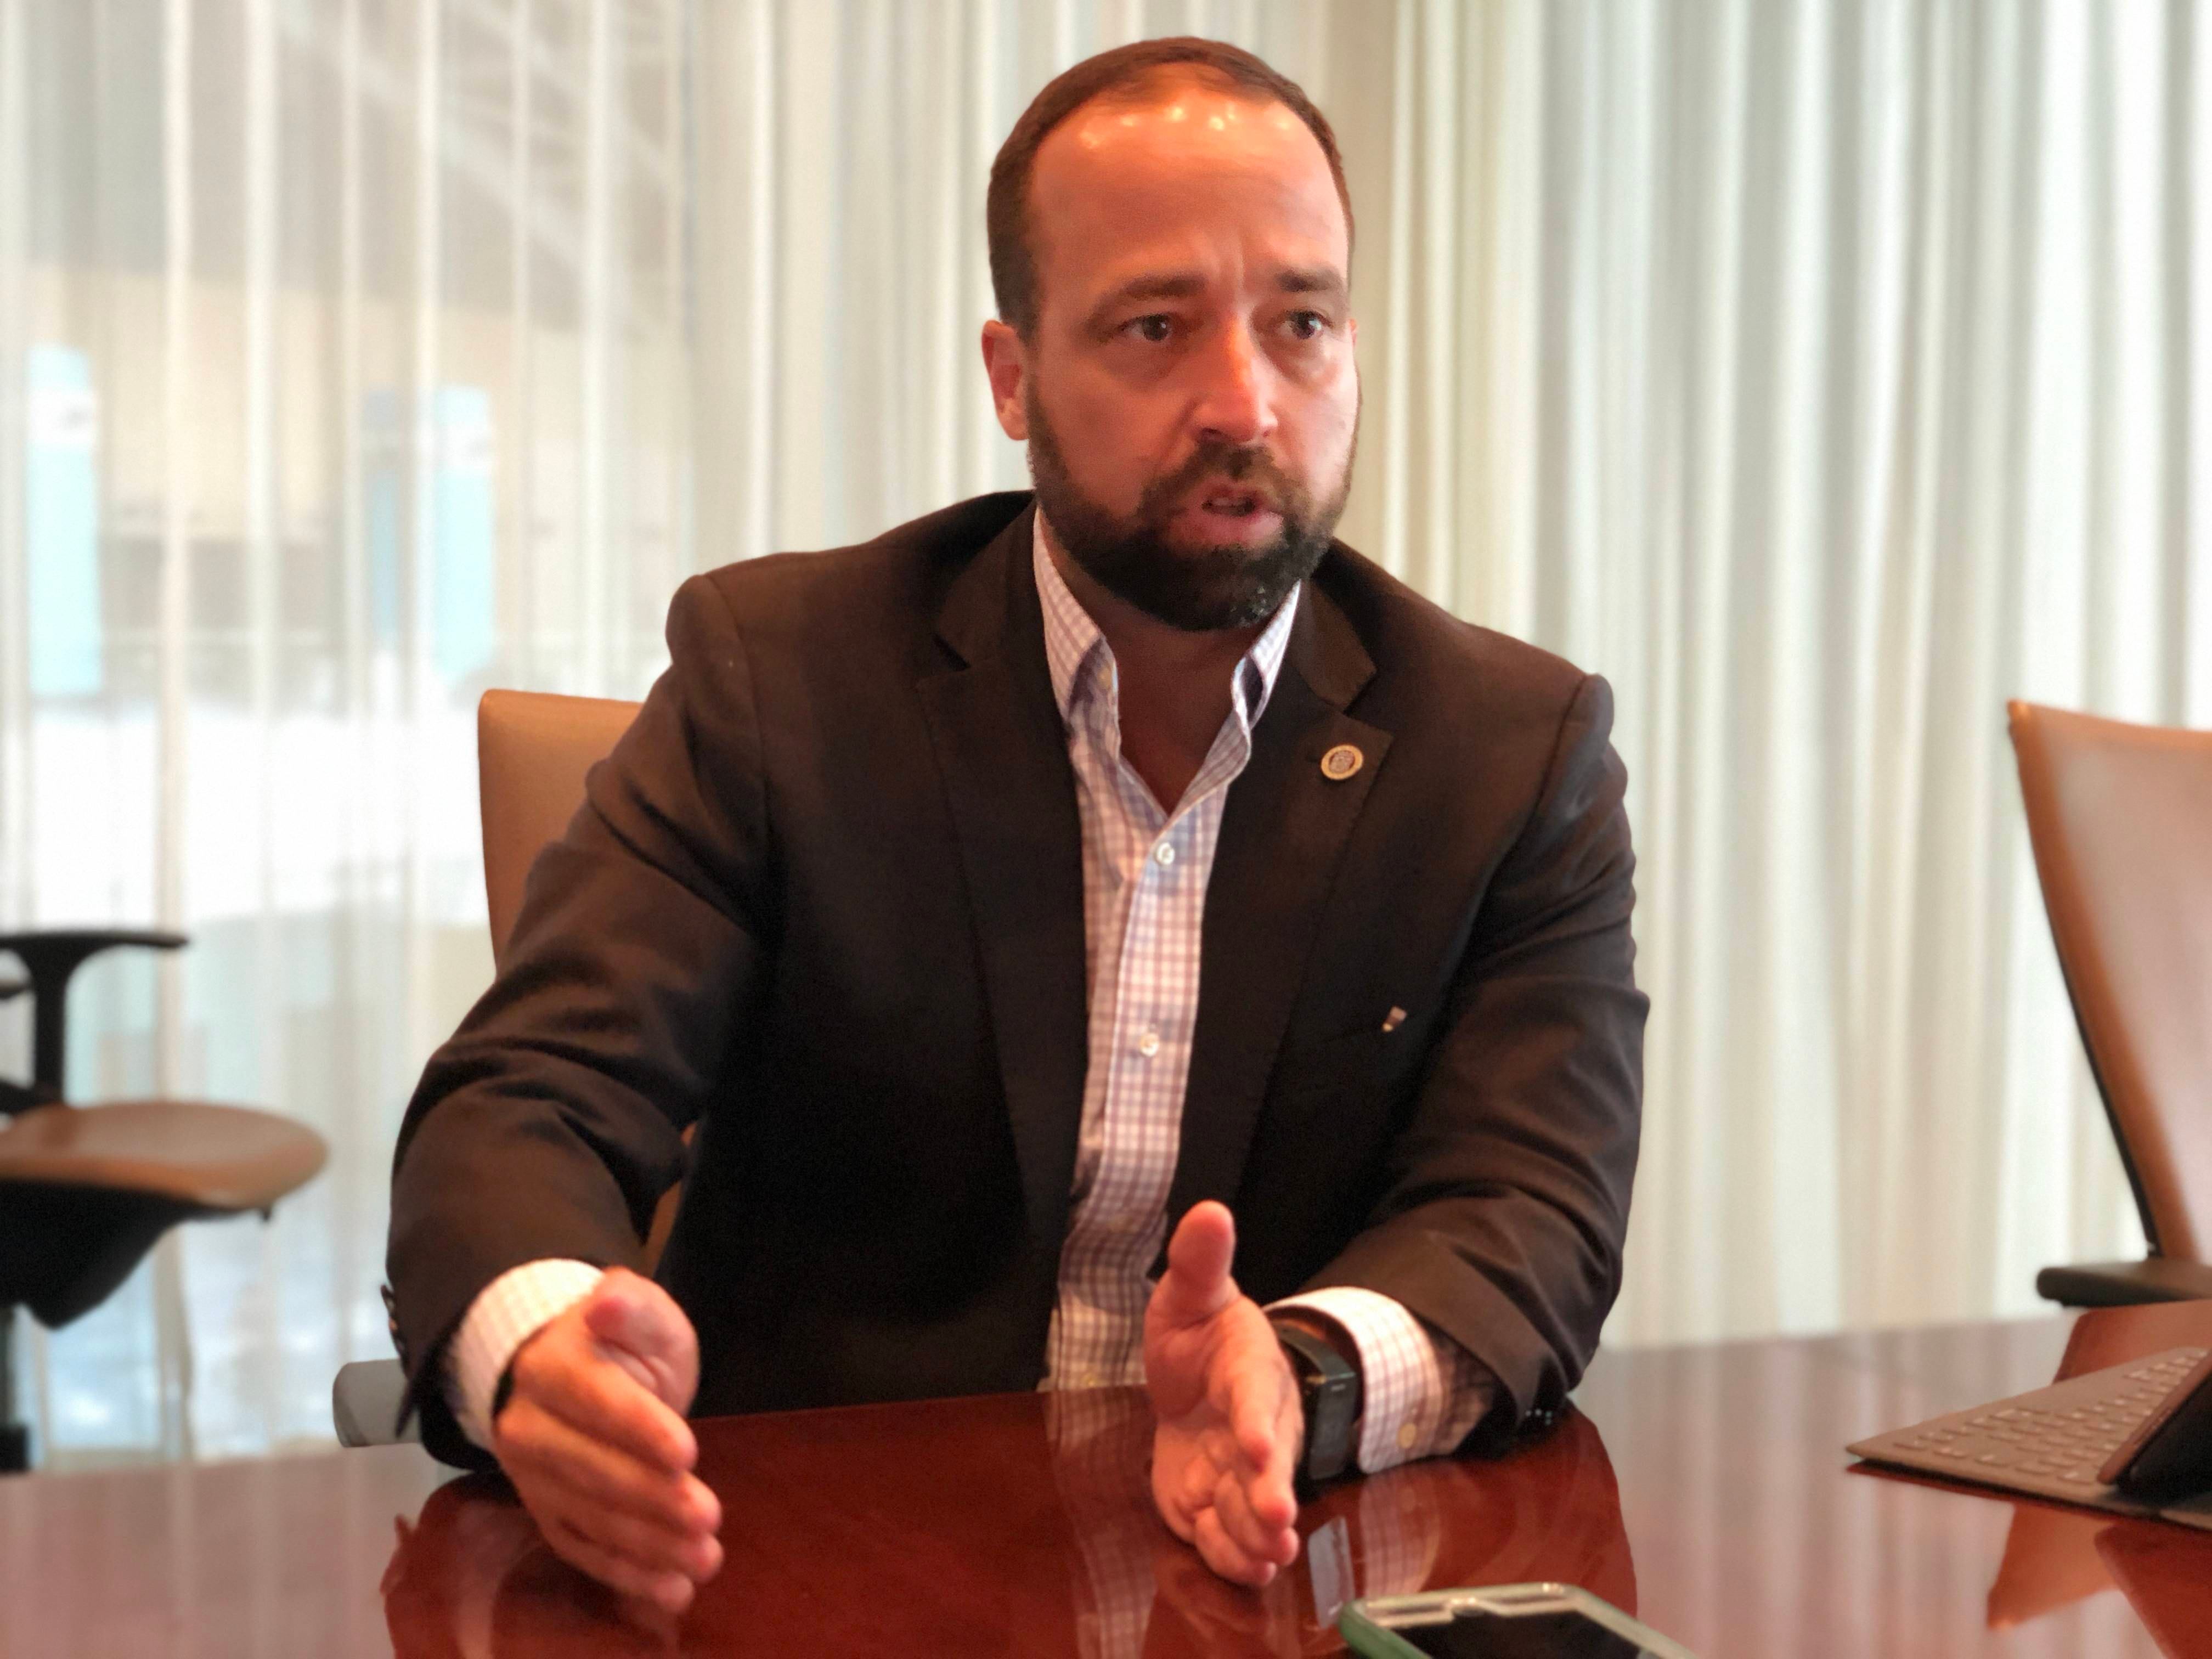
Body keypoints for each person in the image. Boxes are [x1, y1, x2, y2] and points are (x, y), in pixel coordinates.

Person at [386, 36, 1645, 1618]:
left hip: (1259, 1584)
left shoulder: (1510, 753)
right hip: (820, 1574)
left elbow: (1534, 1211)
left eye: (1302, 323)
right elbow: (525, 1102)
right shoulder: (784, 681)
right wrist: (547, 1351)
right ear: (1013, 374)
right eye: (1156, 326)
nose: (1244, 401)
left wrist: (1308, 1373)